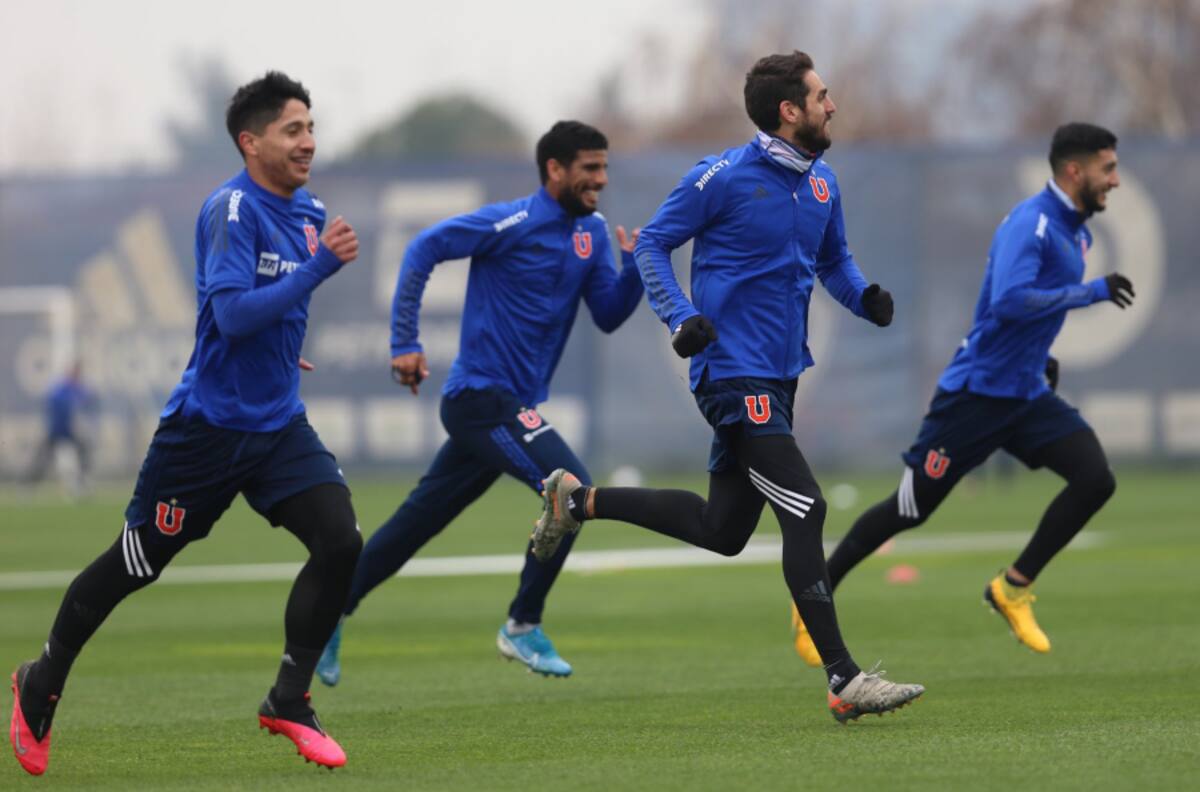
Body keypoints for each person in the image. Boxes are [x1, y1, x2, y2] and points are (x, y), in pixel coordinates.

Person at [530, 52, 924, 723]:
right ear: (789, 111)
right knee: (804, 507)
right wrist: (680, 317)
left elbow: (835, 263)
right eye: (822, 96)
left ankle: (579, 500)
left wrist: (865, 300)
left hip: (779, 374)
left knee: (724, 529)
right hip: (729, 372)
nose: (834, 106)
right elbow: (652, 244)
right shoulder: (721, 176)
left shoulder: (823, 184)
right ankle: (845, 678)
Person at [9, 72, 362, 775]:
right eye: (293, 130)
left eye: (311, 128)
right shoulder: (230, 209)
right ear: (250, 140)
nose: (309, 142)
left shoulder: (308, 208)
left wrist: (286, 353)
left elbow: (266, 312)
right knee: (133, 565)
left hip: (276, 428)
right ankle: (39, 681)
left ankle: (288, 699)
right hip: (205, 434)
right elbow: (230, 315)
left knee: (340, 539)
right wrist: (319, 268)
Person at [314, 121, 643, 686]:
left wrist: (634, 265)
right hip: (478, 399)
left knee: (415, 525)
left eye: (604, 168)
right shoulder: (509, 222)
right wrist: (405, 343)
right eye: (589, 169)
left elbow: (609, 314)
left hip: (504, 407)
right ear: (555, 170)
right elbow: (423, 248)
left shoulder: (589, 234)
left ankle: (325, 615)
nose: (600, 180)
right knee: (572, 490)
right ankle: (522, 624)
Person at [792, 122, 1129, 664]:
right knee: (908, 510)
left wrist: (1039, 356)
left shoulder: (1078, 231)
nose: (1114, 180)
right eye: (1107, 168)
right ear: (1075, 170)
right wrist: (1092, 292)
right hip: (973, 398)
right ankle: (812, 595)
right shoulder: (1033, 224)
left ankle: (1011, 587)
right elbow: (1009, 302)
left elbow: (1025, 313)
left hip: (1023, 394)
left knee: (1095, 479)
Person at [25, 362, 96, 495]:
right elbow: (53, 402)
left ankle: (81, 482)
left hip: (69, 431)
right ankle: (28, 485)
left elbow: (89, 399)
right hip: (56, 429)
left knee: (84, 450)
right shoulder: (61, 388)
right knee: (43, 458)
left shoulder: (77, 388)